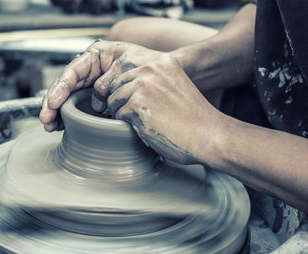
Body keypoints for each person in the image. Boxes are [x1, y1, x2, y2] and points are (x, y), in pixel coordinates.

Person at [39, 1, 308, 214]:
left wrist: (211, 133)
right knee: (129, 39)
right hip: (293, 87)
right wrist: (174, 66)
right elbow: (271, 17)